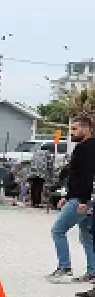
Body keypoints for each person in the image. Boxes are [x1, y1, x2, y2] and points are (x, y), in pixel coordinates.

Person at [48, 116, 95, 284]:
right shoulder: (83, 148)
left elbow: (87, 176)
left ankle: (64, 267)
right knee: (87, 236)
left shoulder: (86, 149)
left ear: (87, 128)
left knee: (57, 230)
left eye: (75, 129)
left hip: (82, 199)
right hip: (82, 197)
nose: (72, 133)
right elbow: (75, 176)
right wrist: (66, 196)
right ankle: (92, 272)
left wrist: (83, 200)